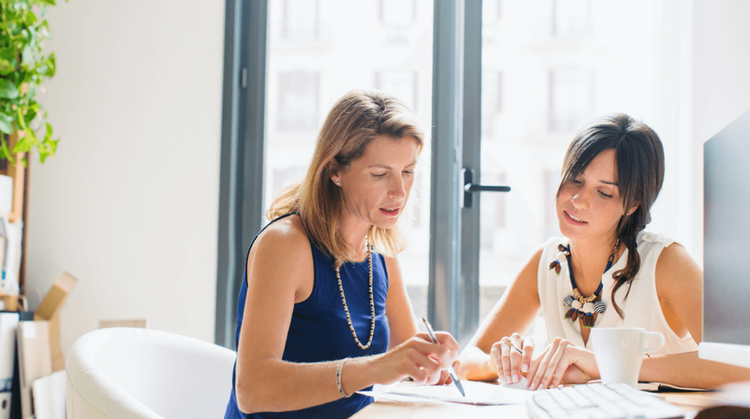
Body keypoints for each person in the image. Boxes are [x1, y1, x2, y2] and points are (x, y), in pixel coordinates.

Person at [457, 114, 750, 390]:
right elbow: (467, 361)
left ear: (632, 203)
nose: (578, 200)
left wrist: (604, 366)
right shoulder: (546, 262)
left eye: (604, 192)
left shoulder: (665, 262)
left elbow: (741, 366)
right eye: (575, 179)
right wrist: (498, 362)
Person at [225, 90, 460, 419]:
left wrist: (433, 360)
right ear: (335, 170)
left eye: (408, 171)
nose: (400, 191)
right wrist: (375, 369)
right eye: (380, 174)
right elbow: (251, 391)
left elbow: (408, 361)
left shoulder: (380, 249)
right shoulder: (285, 245)